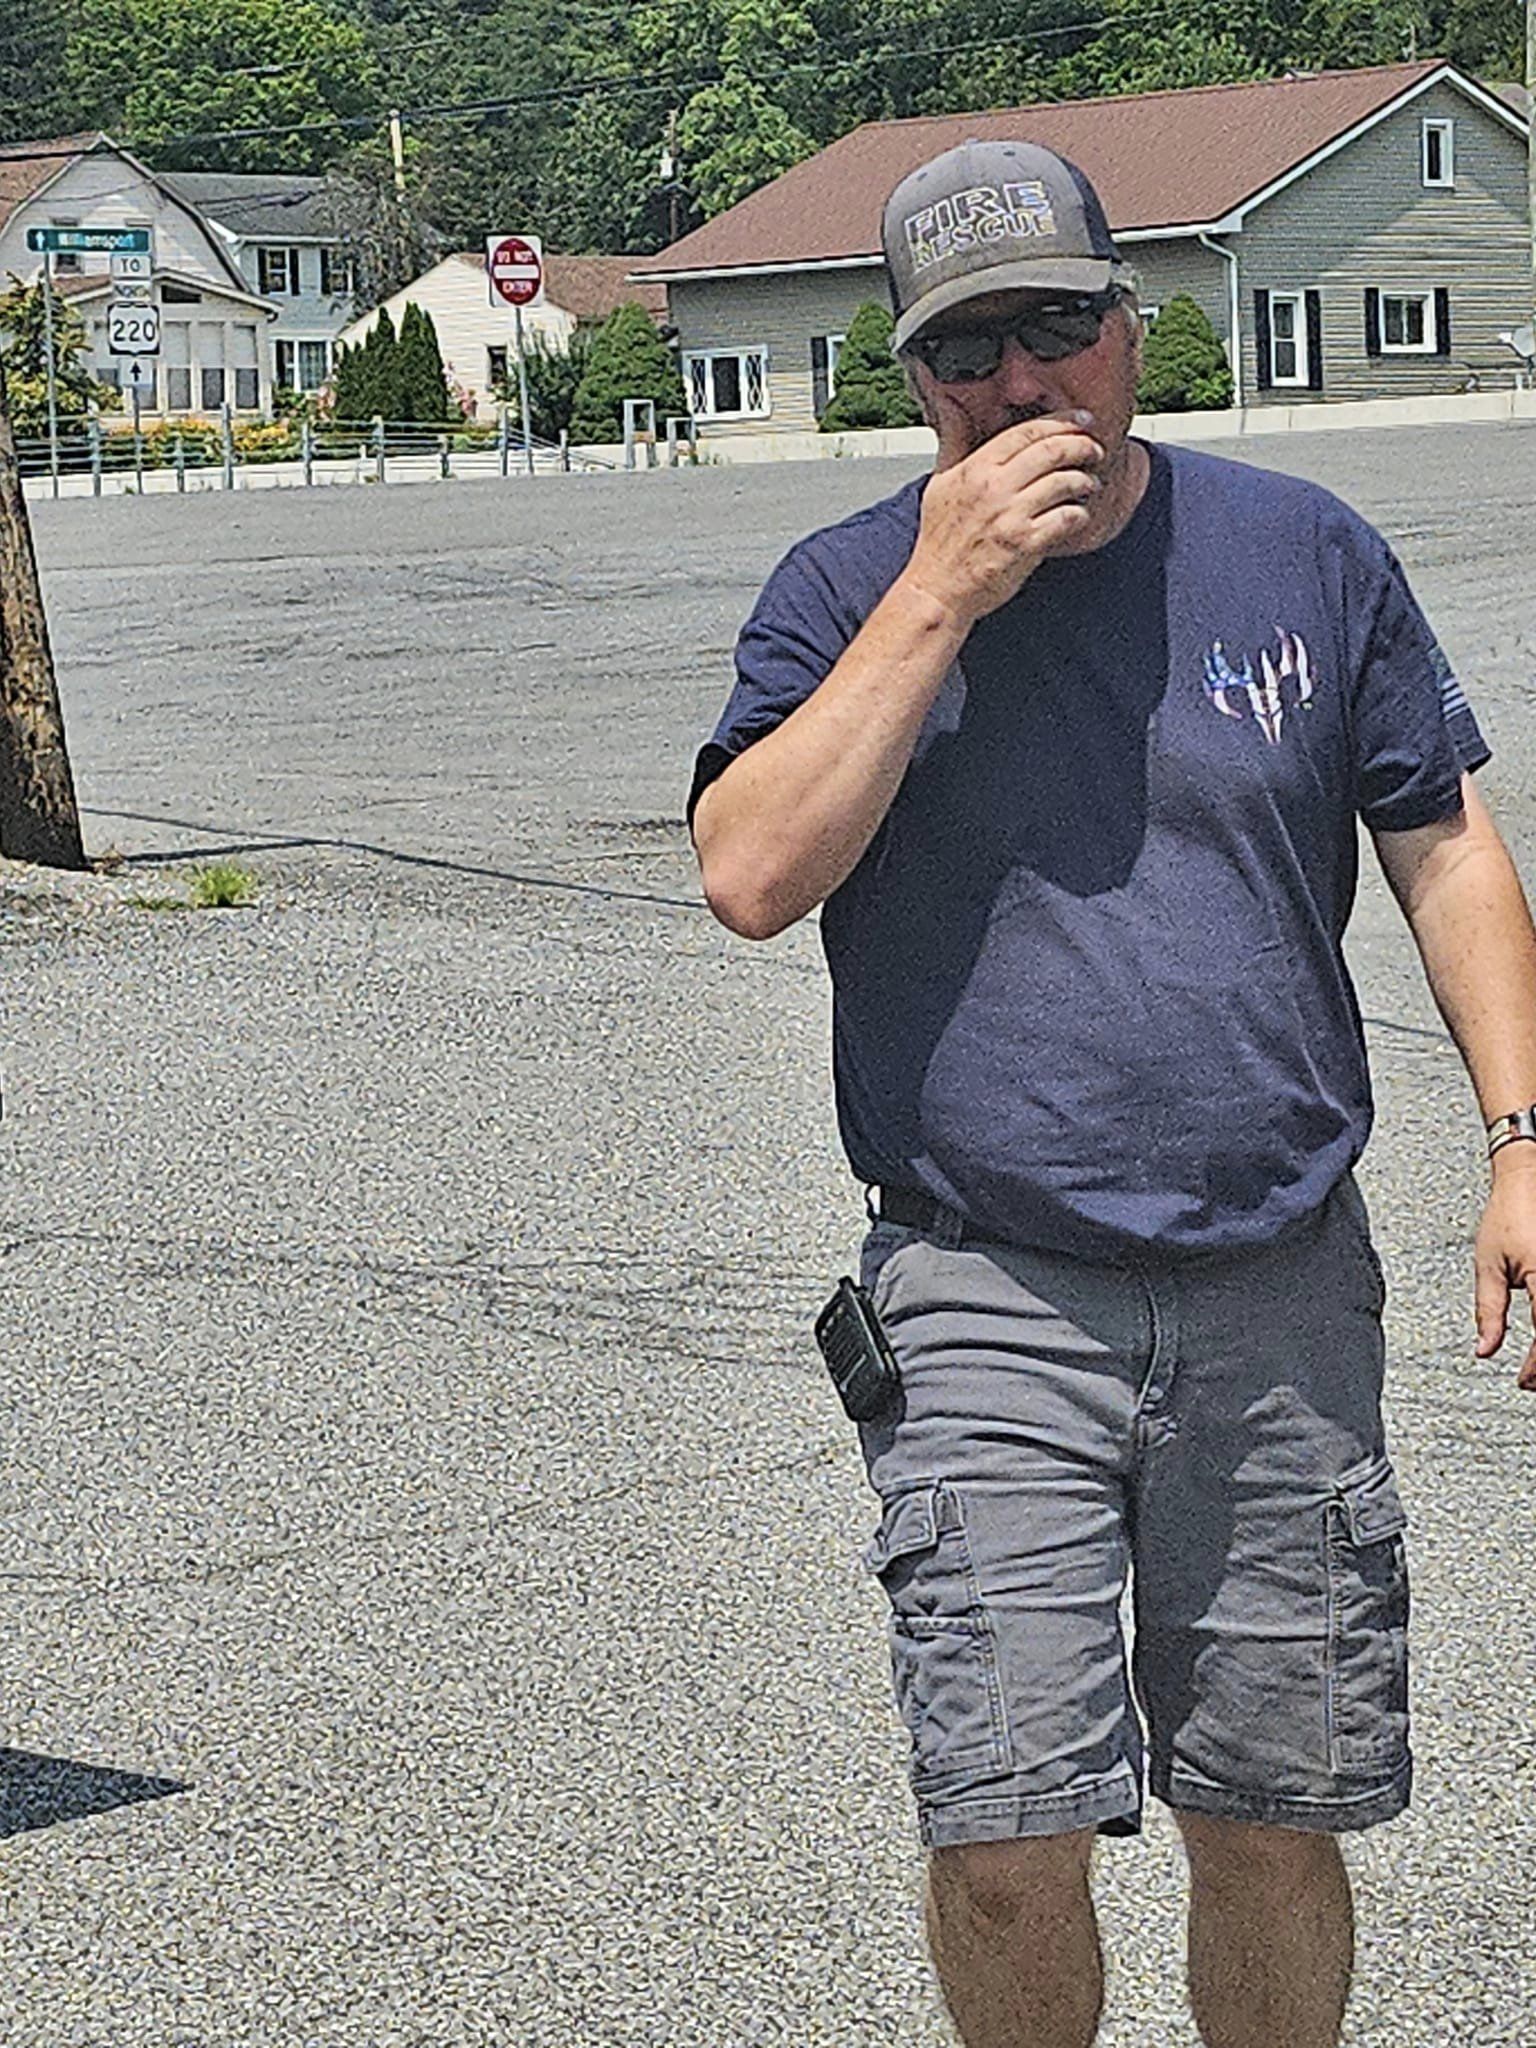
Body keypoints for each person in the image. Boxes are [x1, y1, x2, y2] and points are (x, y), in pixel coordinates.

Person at [688, 138, 1536, 2048]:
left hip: (1276, 1286)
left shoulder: (1303, 552)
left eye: (1056, 328)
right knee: (1005, 1829)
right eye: (964, 349)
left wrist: (1521, 1138)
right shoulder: (845, 591)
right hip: (985, 1286)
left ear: (1131, 327)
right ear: (912, 376)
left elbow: (1446, 845)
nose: (1020, 383)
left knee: (1272, 1816)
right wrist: (941, 596)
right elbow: (748, 875)